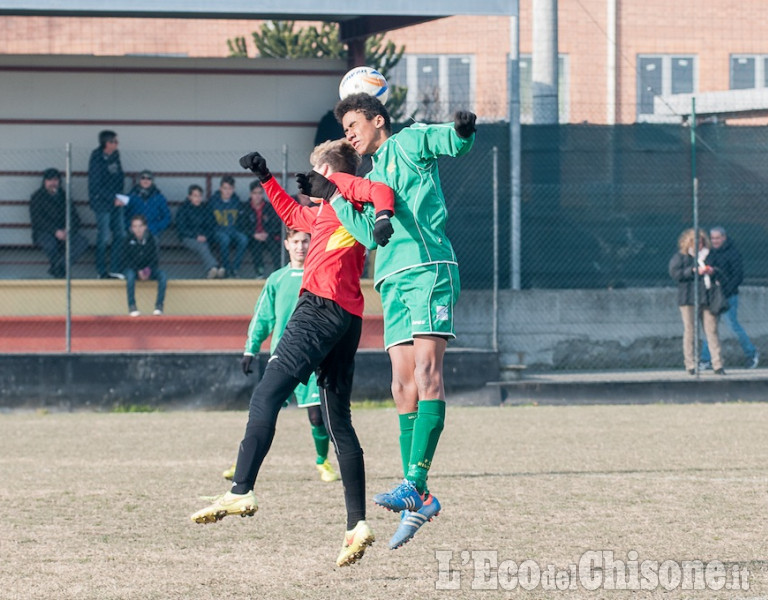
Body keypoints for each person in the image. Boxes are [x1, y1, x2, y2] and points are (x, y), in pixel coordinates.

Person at [190, 139, 394, 568]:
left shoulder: (343, 188)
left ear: (326, 169)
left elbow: (376, 192)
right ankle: (356, 523)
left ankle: (241, 489)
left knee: (266, 396)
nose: (309, 178)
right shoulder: (326, 209)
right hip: (348, 317)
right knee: (339, 421)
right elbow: (292, 215)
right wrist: (265, 176)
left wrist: (379, 213)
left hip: (319, 308)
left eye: (313, 169)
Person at [317, 93, 476, 550]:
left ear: (377, 120)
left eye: (353, 124)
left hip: (428, 268)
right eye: (344, 127)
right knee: (400, 386)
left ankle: (414, 480)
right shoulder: (368, 178)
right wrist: (334, 194)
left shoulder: (410, 142)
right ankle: (419, 498)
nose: (348, 134)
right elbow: (367, 233)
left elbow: (453, 142)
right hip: (390, 280)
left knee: (428, 373)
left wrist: (464, 130)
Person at [221, 228, 340, 484]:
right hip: (282, 358)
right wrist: (250, 348)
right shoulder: (277, 279)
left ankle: (322, 461)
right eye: (296, 241)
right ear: (287, 244)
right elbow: (263, 316)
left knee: (316, 415)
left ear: (312, 243)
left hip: (313, 358)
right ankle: (243, 461)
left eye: (305, 241)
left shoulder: (319, 276)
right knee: (263, 410)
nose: (300, 246)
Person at [699, 226, 759, 370]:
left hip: (728, 296)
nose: (715, 241)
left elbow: (737, 276)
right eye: (712, 238)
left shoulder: (733, 253)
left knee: (732, 325)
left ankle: (751, 353)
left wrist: (725, 291)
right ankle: (706, 359)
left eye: (717, 238)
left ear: (724, 238)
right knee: (710, 327)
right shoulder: (710, 253)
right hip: (714, 297)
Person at [668, 228, 724, 376]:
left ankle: (717, 364)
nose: (699, 245)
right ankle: (690, 364)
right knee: (690, 331)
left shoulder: (711, 255)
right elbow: (675, 273)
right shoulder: (681, 257)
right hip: (688, 298)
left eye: (701, 242)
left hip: (708, 297)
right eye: (695, 242)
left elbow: (721, 270)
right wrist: (693, 271)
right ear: (689, 243)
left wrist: (712, 270)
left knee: (711, 330)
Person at [29, 168, 90, 278]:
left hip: (65, 232)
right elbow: (37, 220)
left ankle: (59, 267)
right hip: (45, 232)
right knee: (50, 243)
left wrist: (68, 230)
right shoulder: (37, 197)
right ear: (44, 181)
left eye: (55, 180)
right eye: (50, 180)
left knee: (82, 242)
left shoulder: (64, 197)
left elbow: (75, 218)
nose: (53, 183)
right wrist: (55, 231)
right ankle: (60, 271)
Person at [88, 129, 126, 279]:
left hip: (116, 201)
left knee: (121, 234)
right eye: (115, 141)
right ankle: (101, 270)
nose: (117, 144)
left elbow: (120, 176)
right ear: (107, 143)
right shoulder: (96, 158)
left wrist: (120, 197)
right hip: (102, 203)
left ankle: (115, 268)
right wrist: (112, 198)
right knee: (104, 236)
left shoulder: (116, 156)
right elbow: (95, 186)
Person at [122, 214, 167, 317]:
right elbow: (125, 259)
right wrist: (138, 270)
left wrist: (147, 270)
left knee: (163, 275)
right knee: (130, 276)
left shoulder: (151, 239)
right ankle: (132, 306)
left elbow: (154, 258)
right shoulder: (127, 239)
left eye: (140, 226)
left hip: (147, 269)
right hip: (133, 269)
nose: (137, 229)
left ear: (145, 227)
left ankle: (159, 306)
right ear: (131, 228)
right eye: (134, 226)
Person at [237, 180, 283, 278]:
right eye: (255, 193)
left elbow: (276, 226)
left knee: (274, 247)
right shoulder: (245, 207)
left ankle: (278, 273)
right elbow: (241, 226)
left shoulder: (269, 207)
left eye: (260, 193)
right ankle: (259, 273)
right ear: (250, 194)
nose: (257, 196)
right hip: (253, 237)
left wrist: (267, 233)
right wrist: (253, 234)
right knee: (255, 247)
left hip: (268, 236)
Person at [174, 184, 221, 279]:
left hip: (205, 236)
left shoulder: (206, 208)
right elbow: (181, 229)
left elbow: (211, 225)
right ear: (189, 197)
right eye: (195, 196)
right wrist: (196, 236)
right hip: (188, 237)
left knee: (219, 240)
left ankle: (216, 269)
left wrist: (206, 236)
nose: (198, 198)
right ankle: (214, 267)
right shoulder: (183, 209)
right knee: (202, 246)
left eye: (199, 195)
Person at [209, 175, 247, 278]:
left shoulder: (236, 201)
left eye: (230, 189)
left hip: (233, 230)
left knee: (243, 239)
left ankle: (235, 268)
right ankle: (226, 268)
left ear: (233, 189)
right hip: (218, 232)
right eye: (225, 188)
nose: (227, 191)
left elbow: (241, 219)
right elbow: (208, 220)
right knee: (224, 239)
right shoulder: (213, 201)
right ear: (220, 188)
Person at [124, 170, 171, 239]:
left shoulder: (159, 197)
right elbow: (123, 214)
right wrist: (130, 226)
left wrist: (157, 227)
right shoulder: (130, 196)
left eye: (149, 178)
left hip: (152, 230)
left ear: (152, 181)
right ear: (139, 180)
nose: (146, 180)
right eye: (143, 178)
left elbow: (167, 216)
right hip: (134, 230)